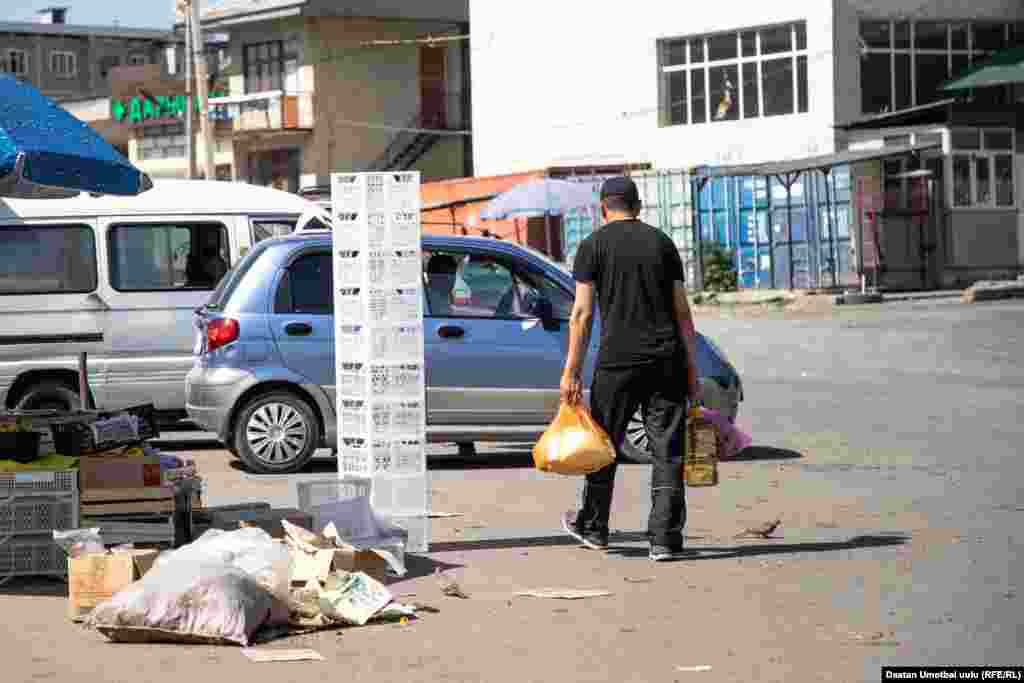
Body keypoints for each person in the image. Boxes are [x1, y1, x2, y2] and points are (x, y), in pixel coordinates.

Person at [559, 176, 701, 562]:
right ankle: (665, 540)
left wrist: (571, 370)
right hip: (666, 360)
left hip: (617, 363)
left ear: (604, 207)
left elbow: (582, 314)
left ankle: (594, 528)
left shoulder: (592, 246)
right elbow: (683, 314)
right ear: (638, 206)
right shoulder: (663, 243)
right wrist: (693, 371)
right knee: (667, 452)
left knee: (603, 446)